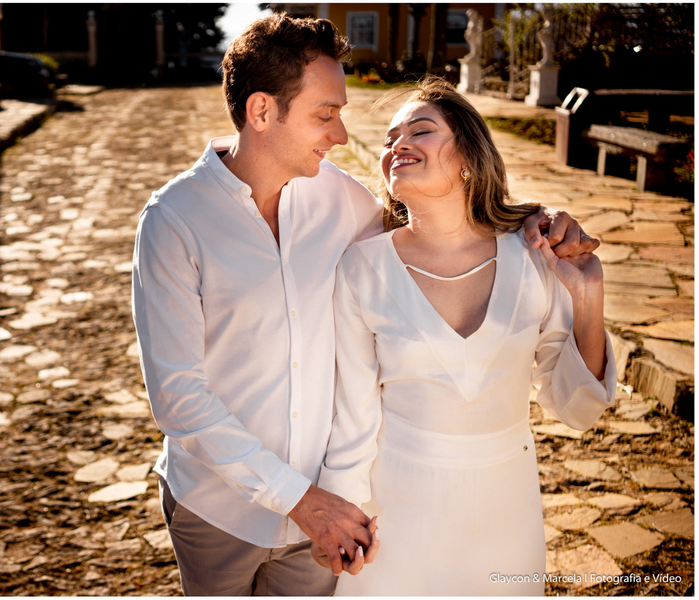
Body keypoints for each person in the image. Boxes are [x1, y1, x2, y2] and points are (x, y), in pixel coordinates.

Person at [131, 15, 596, 596]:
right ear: (261, 112)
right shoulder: (174, 222)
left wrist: (533, 222)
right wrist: (303, 502)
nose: (342, 136)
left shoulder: (344, 202)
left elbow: (441, 228)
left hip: (326, 514)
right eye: (325, 115)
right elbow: (178, 398)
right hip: (219, 509)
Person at [315, 77, 617, 596]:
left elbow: (577, 407)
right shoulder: (362, 267)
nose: (397, 145)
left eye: (421, 130)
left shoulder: (533, 257)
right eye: (389, 140)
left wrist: (588, 295)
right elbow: (353, 417)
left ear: (468, 158)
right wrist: (341, 516)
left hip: (505, 514)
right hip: (395, 518)